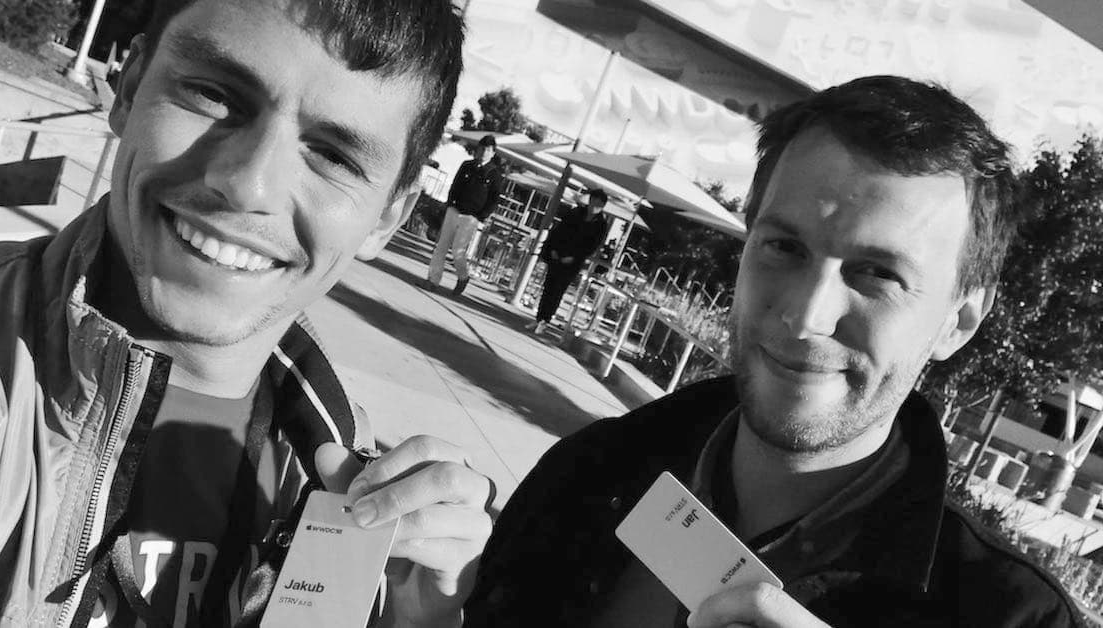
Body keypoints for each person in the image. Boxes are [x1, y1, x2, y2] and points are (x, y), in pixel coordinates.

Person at [0, 1, 494, 626]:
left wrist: (410, 618)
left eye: (336, 157)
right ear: (129, 88)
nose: (248, 185)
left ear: (386, 219)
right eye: (215, 95)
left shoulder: (338, 473)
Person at [464, 75, 1086, 627]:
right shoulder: (589, 471)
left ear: (961, 319)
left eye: (876, 274)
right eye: (785, 248)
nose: (806, 316)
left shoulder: (1012, 617)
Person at [425, 134, 503, 294]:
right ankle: (432, 280)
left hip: (471, 217)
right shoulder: (467, 165)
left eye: (487, 150)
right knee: (441, 246)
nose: (483, 152)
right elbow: (455, 185)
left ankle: (463, 276)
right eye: (481, 148)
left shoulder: (494, 174)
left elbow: (494, 199)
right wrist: (450, 202)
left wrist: (482, 216)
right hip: (454, 210)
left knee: (457, 250)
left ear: (493, 153)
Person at [527, 188, 610, 335]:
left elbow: (592, 245)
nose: (593, 206)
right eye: (592, 201)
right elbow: (560, 230)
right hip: (558, 254)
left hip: (573, 261)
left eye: (598, 204)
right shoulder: (576, 213)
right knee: (548, 287)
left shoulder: (601, 224)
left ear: (602, 206)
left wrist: (575, 257)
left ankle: (545, 320)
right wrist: (553, 249)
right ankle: (539, 317)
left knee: (558, 290)